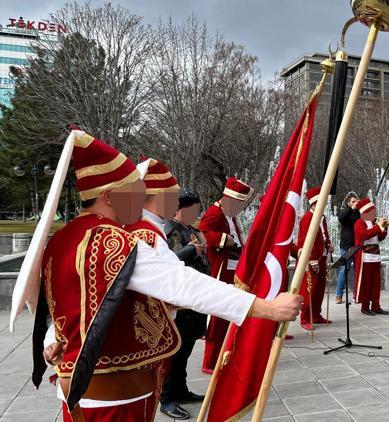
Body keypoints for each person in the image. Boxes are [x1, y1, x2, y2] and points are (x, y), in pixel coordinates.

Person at [37, 131, 301, 421]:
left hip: (76, 386)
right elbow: (182, 284)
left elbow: (65, 303)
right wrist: (267, 307)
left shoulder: (62, 239)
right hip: (114, 394)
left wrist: (53, 336)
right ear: (109, 197)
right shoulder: (116, 242)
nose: (142, 201)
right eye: (136, 193)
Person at [124, 157, 194, 420]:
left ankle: (173, 394)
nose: (177, 203)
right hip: (150, 328)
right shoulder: (146, 232)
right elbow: (175, 283)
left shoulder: (147, 228)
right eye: (173, 196)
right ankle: (167, 399)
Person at [161, 189, 211, 419]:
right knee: (175, 351)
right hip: (179, 300)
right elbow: (168, 260)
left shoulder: (194, 230)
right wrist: (193, 249)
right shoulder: (169, 229)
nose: (196, 213)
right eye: (192, 210)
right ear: (178, 210)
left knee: (186, 348)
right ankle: (167, 397)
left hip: (195, 297)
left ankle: (181, 390)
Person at [198, 177, 252, 374]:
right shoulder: (214, 213)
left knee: (230, 314)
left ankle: (225, 355)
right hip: (220, 270)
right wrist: (224, 239)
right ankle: (210, 362)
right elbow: (203, 232)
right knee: (218, 317)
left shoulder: (229, 215)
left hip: (232, 269)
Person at [297, 187, 334, 330]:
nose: (324, 205)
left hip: (322, 257)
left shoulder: (321, 218)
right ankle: (305, 317)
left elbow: (323, 236)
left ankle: (316, 315)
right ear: (314, 204)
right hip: (312, 259)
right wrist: (311, 260)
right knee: (309, 290)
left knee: (319, 289)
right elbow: (307, 241)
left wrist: (329, 245)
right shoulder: (307, 219)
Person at [353, 198, 389, 315]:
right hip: (366, 257)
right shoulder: (359, 223)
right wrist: (378, 227)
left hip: (376, 256)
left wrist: (385, 228)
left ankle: (376, 306)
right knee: (366, 284)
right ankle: (365, 307)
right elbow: (365, 235)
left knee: (376, 284)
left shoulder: (374, 223)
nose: (374, 214)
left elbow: (379, 238)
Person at [336, 192, 360, 304]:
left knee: (358, 270)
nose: (355, 203)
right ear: (348, 203)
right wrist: (351, 208)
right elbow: (341, 219)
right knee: (344, 270)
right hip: (346, 245)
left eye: (356, 201)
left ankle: (357, 295)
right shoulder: (345, 211)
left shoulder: (359, 213)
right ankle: (339, 295)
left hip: (357, 245)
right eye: (353, 202)